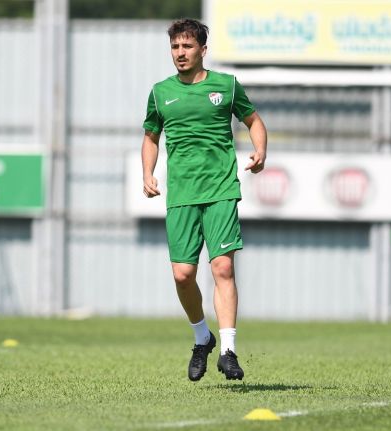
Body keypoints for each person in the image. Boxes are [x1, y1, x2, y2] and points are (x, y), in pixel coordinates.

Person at [141, 18, 267, 381]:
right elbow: (151, 137)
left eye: (187, 46)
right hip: (181, 194)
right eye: (175, 47)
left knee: (222, 268)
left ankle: (228, 351)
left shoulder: (226, 86)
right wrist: (147, 173)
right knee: (183, 275)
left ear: (203, 50)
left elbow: (254, 120)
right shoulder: (160, 92)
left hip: (220, 190)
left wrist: (260, 151)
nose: (180, 53)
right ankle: (202, 338)